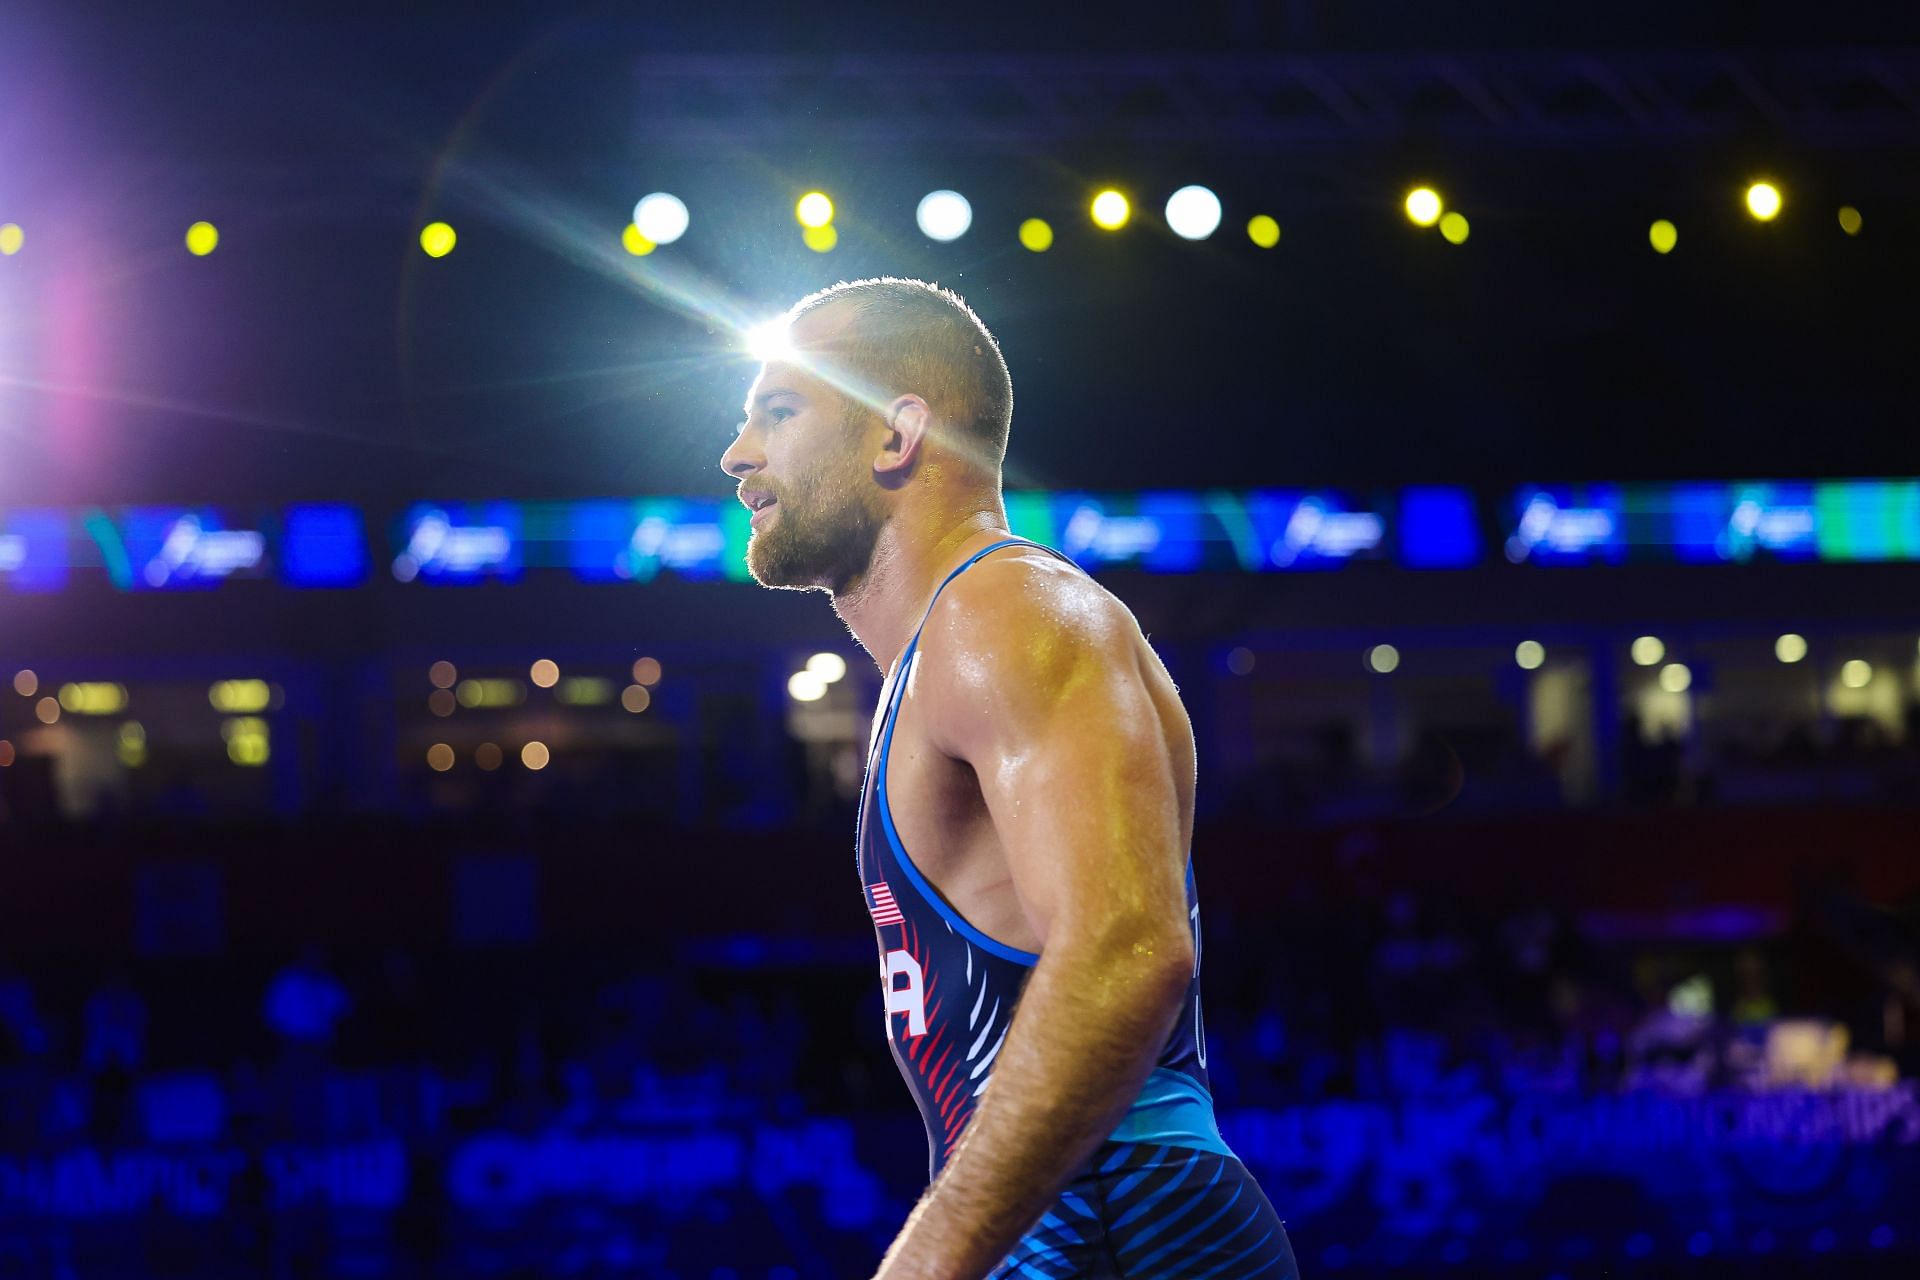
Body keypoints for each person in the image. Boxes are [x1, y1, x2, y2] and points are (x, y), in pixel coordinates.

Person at [720, 278, 1296, 1278]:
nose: (737, 455)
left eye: (778, 410)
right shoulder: (946, 645)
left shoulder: (1007, 614)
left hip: (1121, 1221)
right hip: (1078, 1219)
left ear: (896, 434)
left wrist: (930, 1255)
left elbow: (1128, 951)